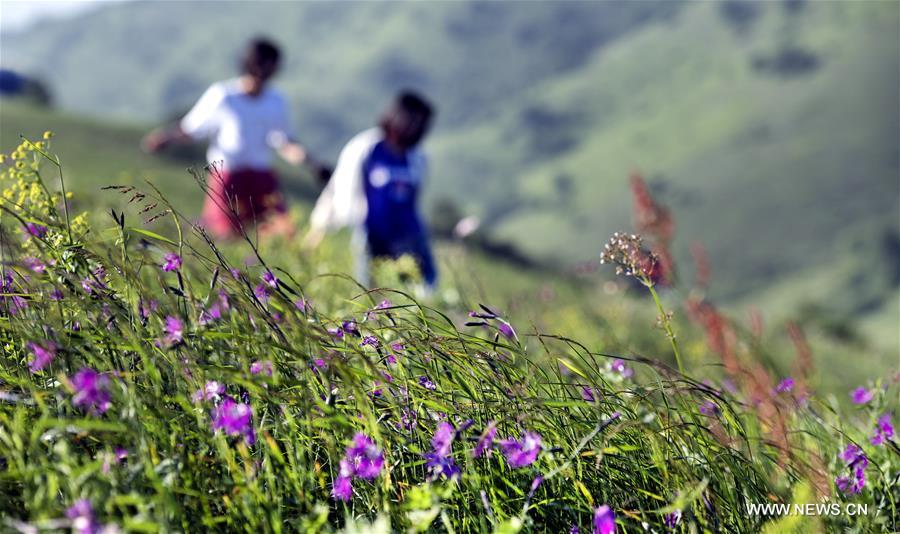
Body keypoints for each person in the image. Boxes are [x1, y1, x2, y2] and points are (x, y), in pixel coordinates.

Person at [142, 37, 326, 239]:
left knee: (281, 233)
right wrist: (165, 137)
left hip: (261, 177)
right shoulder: (223, 96)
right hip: (228, 177)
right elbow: (191, 129)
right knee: (228, 235)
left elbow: (285, 142)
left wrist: (312, 164)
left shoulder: (276, 100)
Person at [305, 90, 437, 291]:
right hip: (368, 233)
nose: (416, 128)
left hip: (405, 234)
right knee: (368, 290)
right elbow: (340, 188)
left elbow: (414, 198)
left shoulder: (417, 158)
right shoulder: (366, 147)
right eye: (413, 121)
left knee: (425, 285)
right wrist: (321, 225)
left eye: (421, 124)